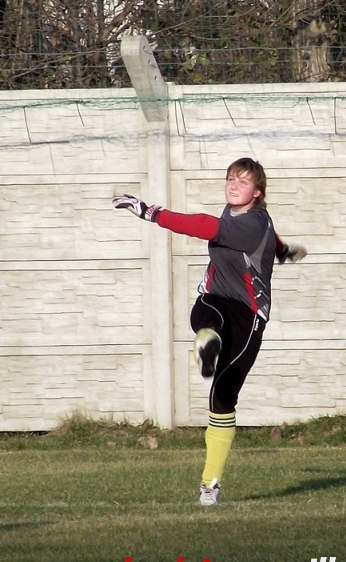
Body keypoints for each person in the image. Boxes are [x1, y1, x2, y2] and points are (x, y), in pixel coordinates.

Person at [113, 158, 307, 506]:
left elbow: (204, 225)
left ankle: (210, 483)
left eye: (243, 182)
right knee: (204, 311)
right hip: (216, 298)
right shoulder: (238, 214)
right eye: (231, 178)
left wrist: (151, 212)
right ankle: (207, 340)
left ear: (257, 192)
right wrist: (282, 251)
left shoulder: (253, 221)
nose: (234, 185)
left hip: (248, 316)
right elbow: (267, 235)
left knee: (223, 396)